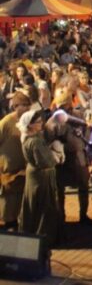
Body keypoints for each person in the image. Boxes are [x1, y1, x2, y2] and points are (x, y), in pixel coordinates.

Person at [18, 109, 64, 246]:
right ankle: (42, 238)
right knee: (44, 207)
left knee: (33, 207)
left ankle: (31, 234)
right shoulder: (35, 141)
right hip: (41, 178)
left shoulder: (29, 137)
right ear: (30, 125)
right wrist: (56, 155)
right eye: (38, 122)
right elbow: (45, 162)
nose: (41, 123)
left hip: (34, 175)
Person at [0, 91, 31, 229]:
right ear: (15, 106)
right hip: (8, 168)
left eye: (27, 105)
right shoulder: (6, 122)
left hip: (24, 167)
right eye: (22, 105)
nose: (25, 108)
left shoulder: (29, 121)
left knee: (21, 198)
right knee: (8, 200)